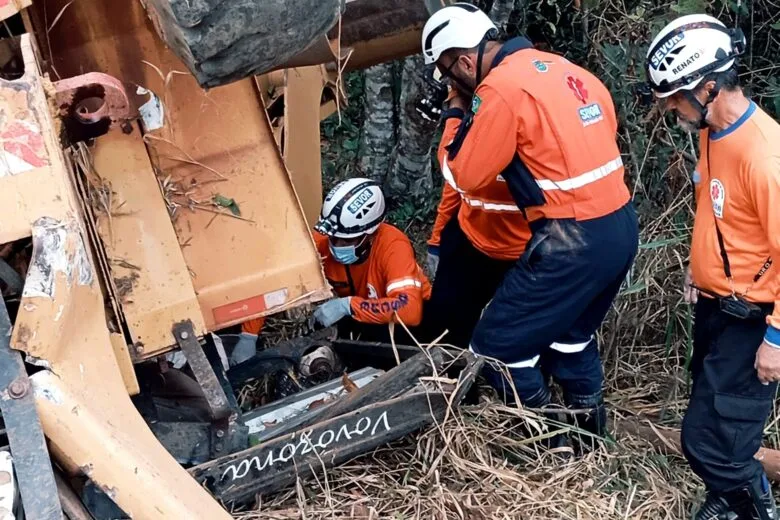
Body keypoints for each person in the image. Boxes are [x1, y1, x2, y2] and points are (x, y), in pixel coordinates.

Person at [420, 3, 638, 439]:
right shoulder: (563, 69)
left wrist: (456, 114)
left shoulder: (499, 90)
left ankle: (549, 441)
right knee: (569, 339)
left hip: (569, 239)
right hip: (620, 226)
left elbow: (463, 174)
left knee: (497, 347)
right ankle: (590, 436)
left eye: (448, 74)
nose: (450, 83)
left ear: (464, 61)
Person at [646, 14, 780, 520]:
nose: (670, 110)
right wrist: (697, 266)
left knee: (710, 441)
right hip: (718, 306)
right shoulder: (713, 132)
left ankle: (752, 506)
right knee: (713, 420)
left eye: (676, 99)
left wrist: (776, 340)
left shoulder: (764, 157)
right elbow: (715, 206)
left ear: (707, 87)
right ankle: (727, 500)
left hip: (754, 318)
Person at [308, 177, 432, 342]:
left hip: (409, 323)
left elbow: (409, 310)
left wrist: (348, 306)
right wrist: (259, 331)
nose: (337, 245)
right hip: (363, 314)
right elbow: (275, 279)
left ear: (370, 234)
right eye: (334, 237)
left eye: (347, 240)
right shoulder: (321, 241)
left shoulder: (393, 246)